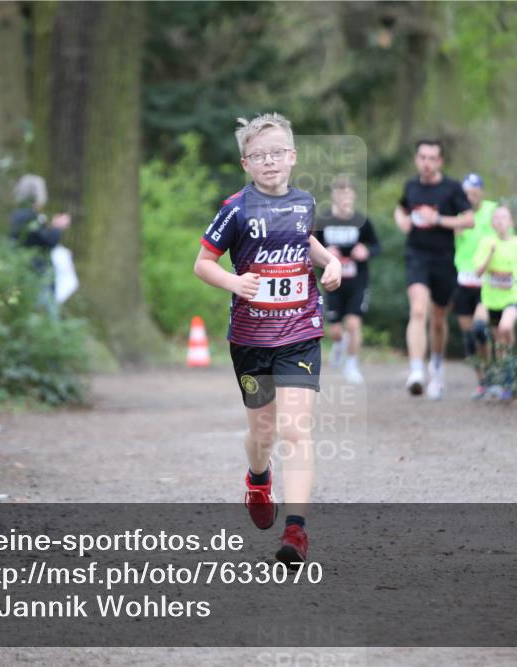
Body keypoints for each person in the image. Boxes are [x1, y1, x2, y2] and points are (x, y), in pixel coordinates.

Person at [193, 113, 342, 566]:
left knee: (296, 429)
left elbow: (306, 242)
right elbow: (203, 263)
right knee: (262, 430)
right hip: (251, 339)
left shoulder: (304, 202)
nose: (270, 161)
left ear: (293, 157)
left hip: (300, 331)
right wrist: (235, 284)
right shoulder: (235, 209)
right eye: (259, 155)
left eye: (277, 153)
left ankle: (295, 532)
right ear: (246, 163)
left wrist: (329, 261)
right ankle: (258, 478)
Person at [394, 140, 474, 399]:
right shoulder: (411, 186)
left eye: (432, 158)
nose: (426, 162)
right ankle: (416, 371)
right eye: (422, 157)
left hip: (444, 258)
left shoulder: (451, 188)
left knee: (438, 318)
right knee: (418, 309)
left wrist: (438, 219)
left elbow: (469, 219)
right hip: (416, 255)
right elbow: (401, 207)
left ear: (440, 162)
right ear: (417, 160)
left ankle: (436, 368)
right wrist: (403, 220)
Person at [313, 175, 380, 385]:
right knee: (335, 331)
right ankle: (339, 345)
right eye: (340, 193)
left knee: (353, 323)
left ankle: (352, 365)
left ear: (353, 196)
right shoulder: (323, 221)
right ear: (334, 195)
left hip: (357, 280)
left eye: (348, 193)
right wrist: (325, 252)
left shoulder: (362, 221)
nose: (344, 197)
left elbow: (377, 246)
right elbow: (311, 249)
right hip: (333, 282)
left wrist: (366, 250)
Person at [473, 206, 517, 401]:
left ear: (511, 222)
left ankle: (509, 372)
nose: (500, 221)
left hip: (513, 296)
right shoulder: (486, 242)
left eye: (504, 217)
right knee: (500, 341)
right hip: (492, 300)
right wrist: (489, 255)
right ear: (492, 223)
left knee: (505, 327)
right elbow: (478, 272)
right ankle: (508, 379)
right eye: (497, 218)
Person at [453, 173, 497, 399]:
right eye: (466, 193)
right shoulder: (457, 214)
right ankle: (481, 381)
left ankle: (492, 375)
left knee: (480, 330)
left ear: (482, 192)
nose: (470, 196)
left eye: (474, 192)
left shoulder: (492, 211)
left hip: (486, 282)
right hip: (463, 281)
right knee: (468, 337)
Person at [10, 174, 71, 316]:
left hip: (26, 273)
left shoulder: (18, 215)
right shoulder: (30, 217)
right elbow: (48, 241)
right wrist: (57, 227)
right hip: (37, 275)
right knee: (46, 314)